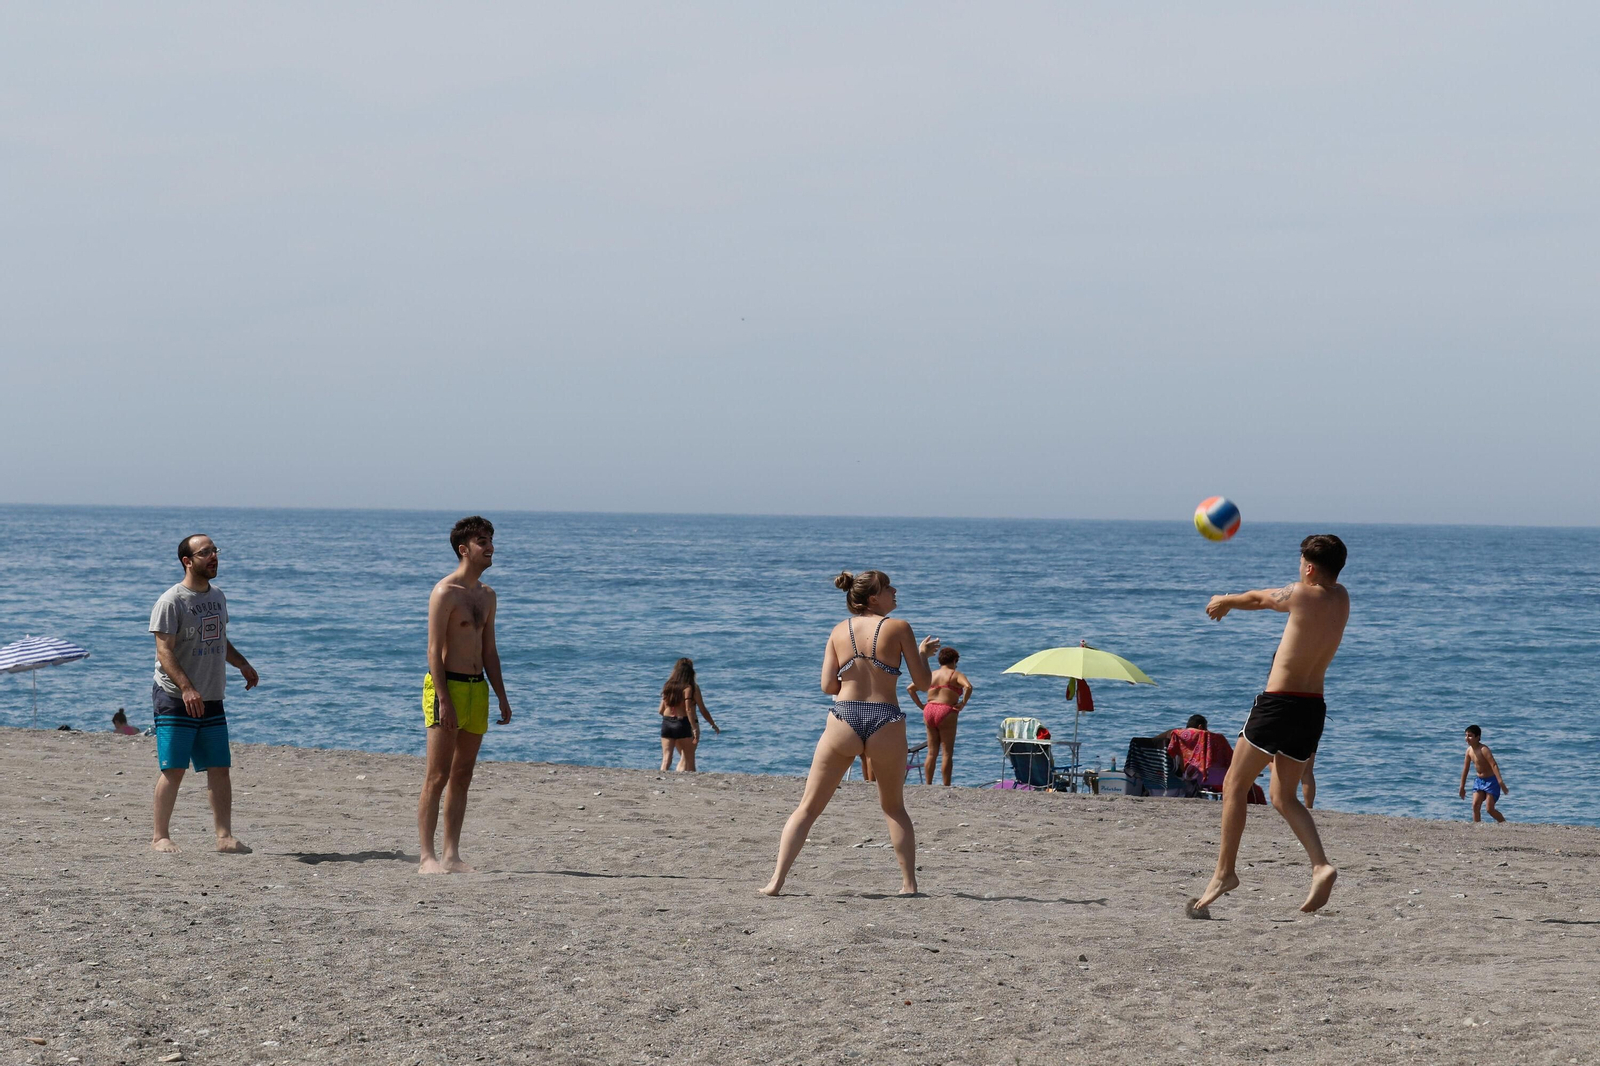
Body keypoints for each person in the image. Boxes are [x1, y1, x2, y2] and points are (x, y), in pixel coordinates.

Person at [1189, 534, 1349, 917]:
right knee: (1283, 796)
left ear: (1309, 568)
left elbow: (1260, 598)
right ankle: (1320, 865)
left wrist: (1225, 600)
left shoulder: (1302, 593)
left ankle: (1225, 873)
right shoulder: (1342, 598)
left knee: (1234, 785)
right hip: (1313, 710)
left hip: (1279, 705)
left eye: (1300, 563)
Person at [760, 570, 939, 897]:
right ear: (874, 597)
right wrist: (923, 657)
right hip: (885, 718)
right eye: (888, 588)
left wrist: (852, 682)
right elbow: (925, 684)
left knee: (808, 808)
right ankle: (909, 885)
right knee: (893, 807)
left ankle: (776, 882)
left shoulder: (838, 630)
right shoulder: (899, 628)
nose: (895, 591)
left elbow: (828, 685)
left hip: (845, 716)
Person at [149, 534, 260, 855]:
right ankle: (160, 836)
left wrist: (243, 664)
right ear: (188, 561)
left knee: (219, 767)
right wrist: (185, 688)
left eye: (215, 551)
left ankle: (224, 836)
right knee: (174, 768)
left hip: (211, 694)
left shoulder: (218, 596)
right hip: (174, 697)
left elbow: (219, 639)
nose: (213, 556)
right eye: (205, 552)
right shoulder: (171, 601)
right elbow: (164, 650)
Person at [417, 516, 513, 875]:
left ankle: (451, 854)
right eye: (482, 541)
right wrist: (443, 698)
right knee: (437, 775)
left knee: (462, 775)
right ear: (464, 549)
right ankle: (426, 857)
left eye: (490, 540)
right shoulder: (445, 592)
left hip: (477, 689)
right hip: (448, 687)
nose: (490, 547)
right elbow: (433, 650)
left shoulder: (487, 596)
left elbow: (490, 651)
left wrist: (501, 695)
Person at [907, 646, 972, 786]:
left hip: (929, 710)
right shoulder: (955, 674)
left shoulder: (931, 675)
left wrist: (922, 706)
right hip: (946, 710)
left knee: (931, 752)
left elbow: (910, 688)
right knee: (947, 752)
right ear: (955, 661)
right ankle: (946, 786)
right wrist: (963, 703)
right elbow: (968, 687)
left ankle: (928, 784)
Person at [659, 658, 719, 772]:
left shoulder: (668, 686)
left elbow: (661, 710)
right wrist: (712, 724)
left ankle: (660, 781)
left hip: (667, 723)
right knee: (688, 758)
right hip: (685, 723)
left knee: (667, 759)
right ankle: (690, 785)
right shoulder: (692, 688)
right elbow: (701, 710)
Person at [1459, 724, 1509, 823]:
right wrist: (1462, 787)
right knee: (1475, 805)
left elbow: (1494, 765)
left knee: (1489, 809)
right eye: (1466, 735)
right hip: (1479, 781)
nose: (1467, 738)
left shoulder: (1484, 750)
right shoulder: (1469, 751)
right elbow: (1465, 769)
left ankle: (1504, 824)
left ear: (1478, 737)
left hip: (1491, 781)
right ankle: (1477, 828)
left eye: (1470, 736)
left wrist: (1500, 782)